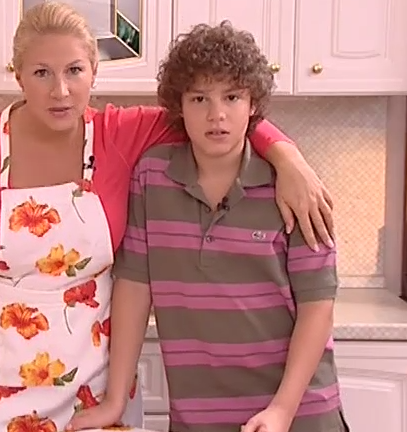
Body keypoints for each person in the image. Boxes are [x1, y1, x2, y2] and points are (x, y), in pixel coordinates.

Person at [0, 3, 337, 432]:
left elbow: (219, 117)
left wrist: (288, 158)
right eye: (42, 72)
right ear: (18, 75)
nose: (60, 91)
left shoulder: (120, 134)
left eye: (74, 70)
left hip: (96, 385)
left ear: (94, 73)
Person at [67, 21, 349, 432]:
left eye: (232, 97)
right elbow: (134, 287)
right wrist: (114, 400)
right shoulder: (152, 177)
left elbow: (318, 309)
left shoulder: (294, 189)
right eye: (200, 98)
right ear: (179, 106)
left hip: (298, 415)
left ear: (252, 104)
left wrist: (282, 410)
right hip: (198, 417)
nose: (217, 114)